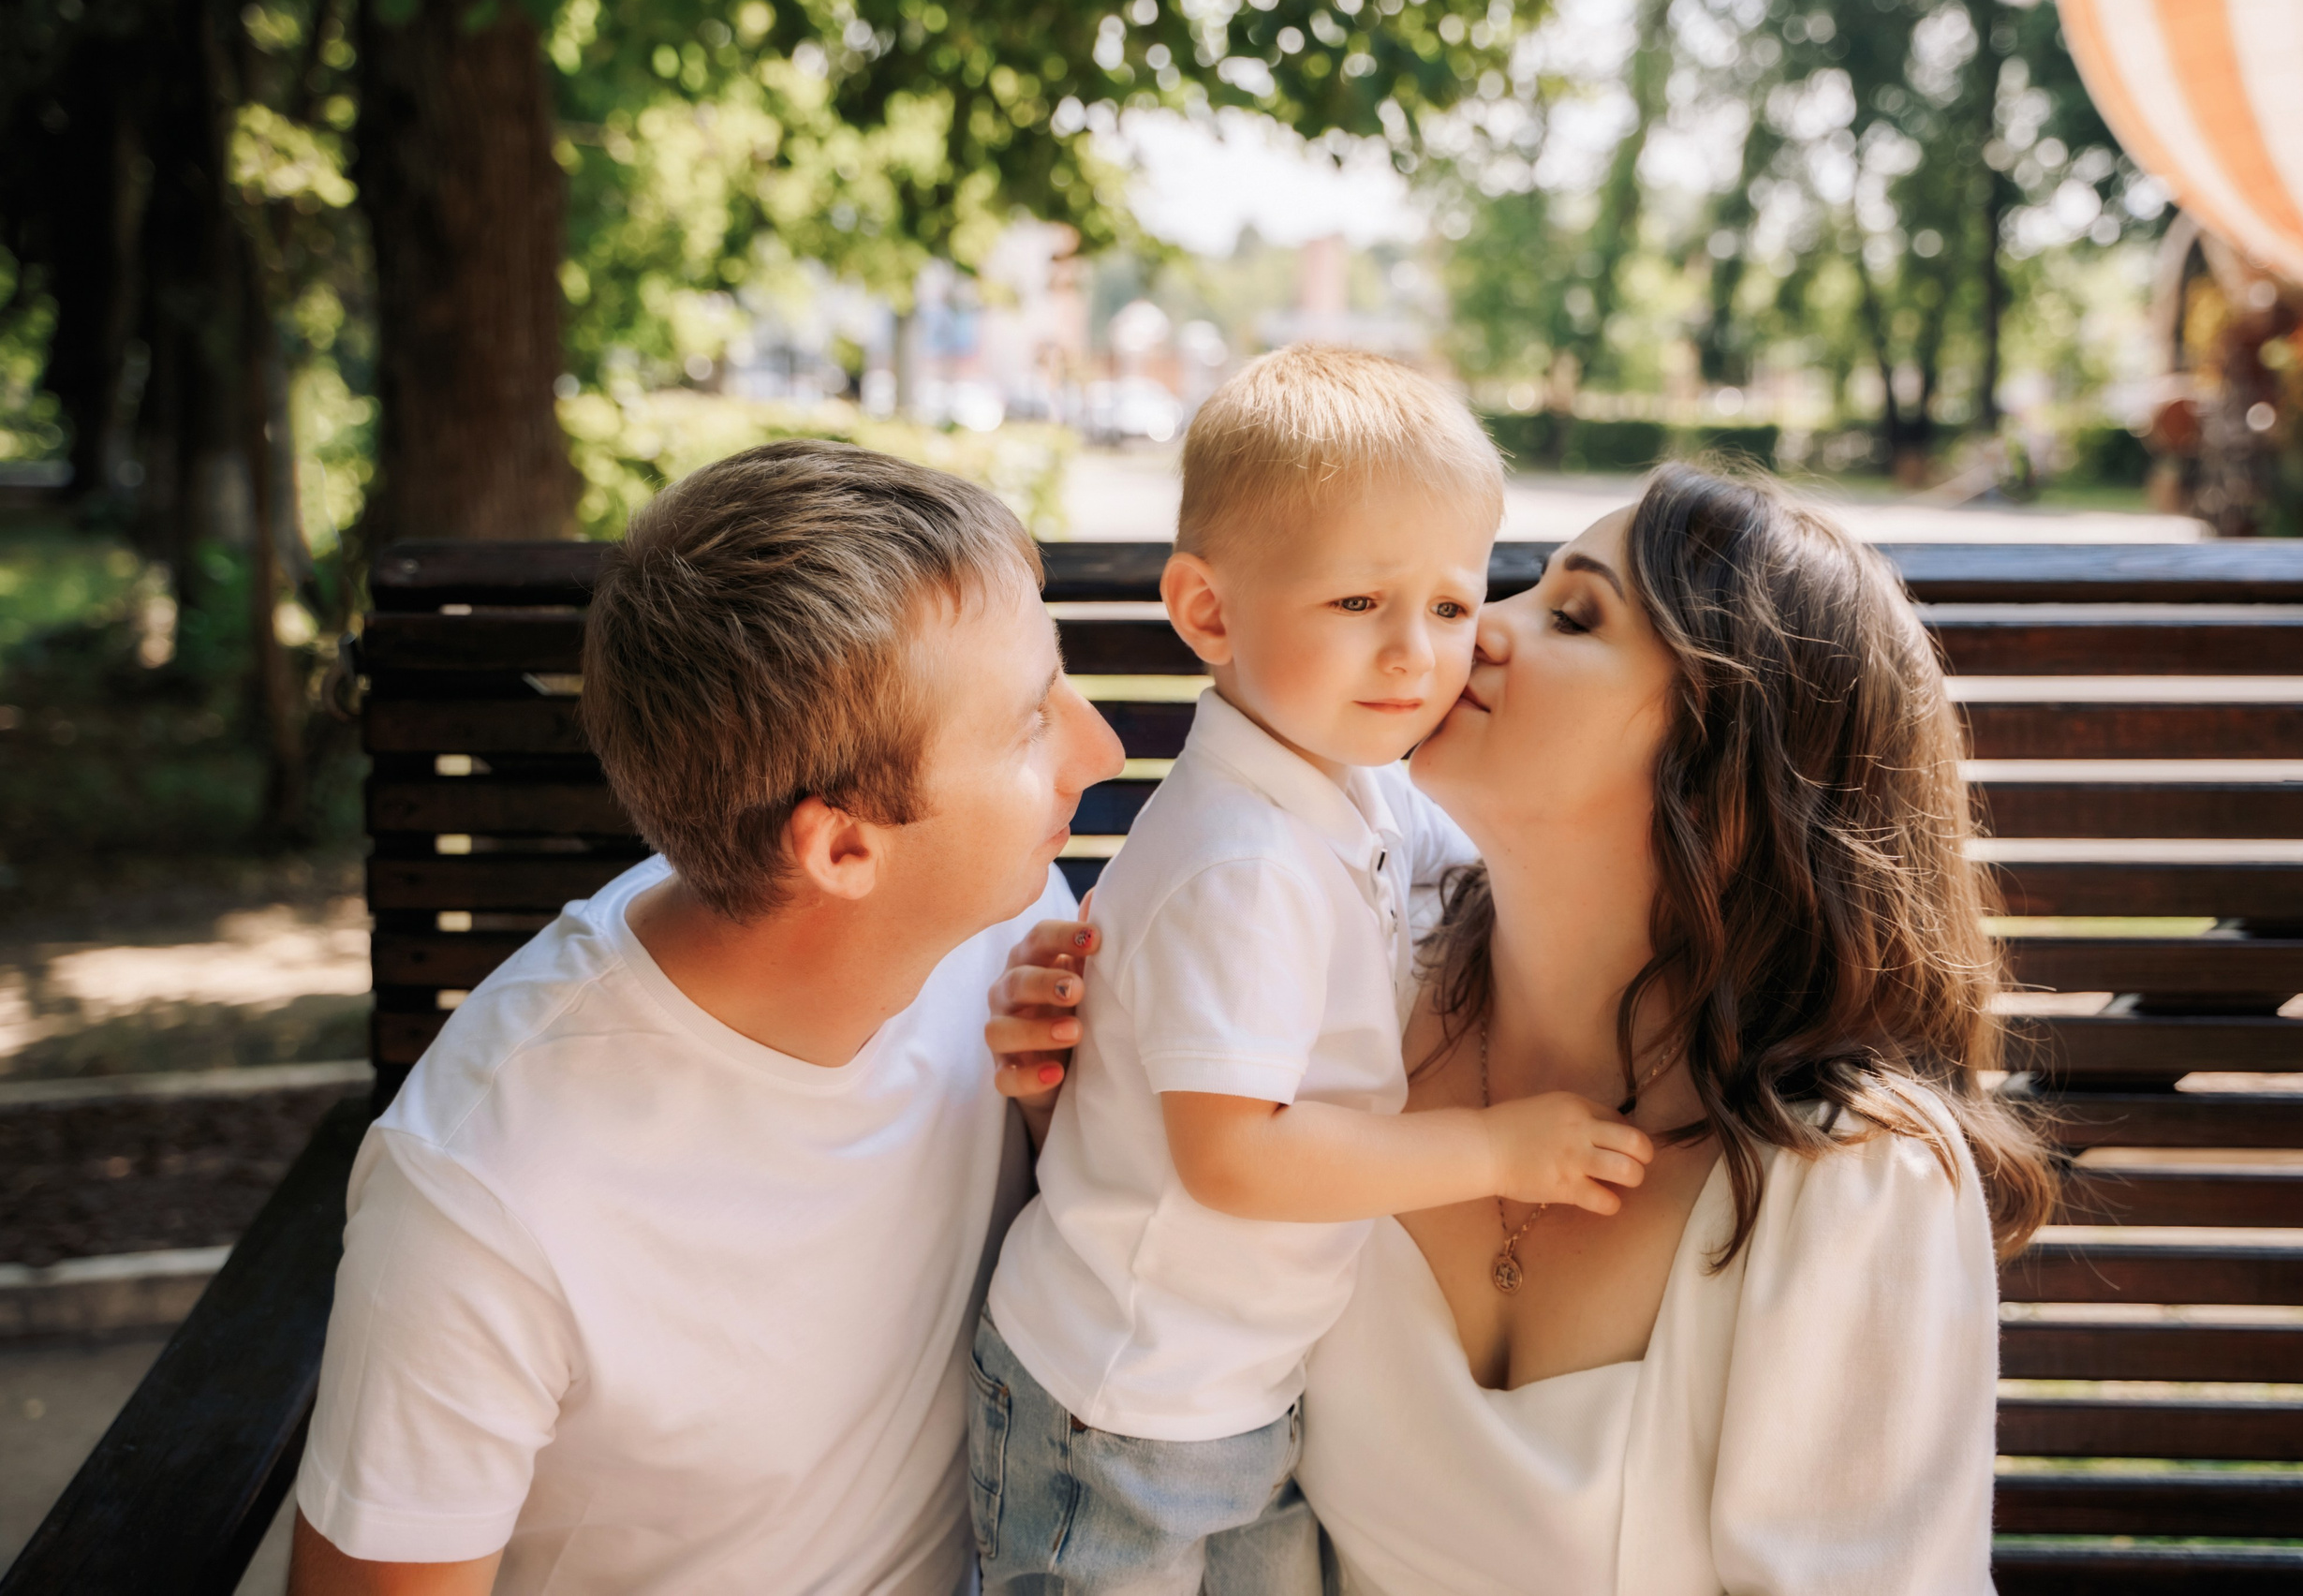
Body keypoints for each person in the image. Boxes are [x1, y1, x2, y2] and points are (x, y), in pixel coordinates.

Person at [990, 464, 2056, 1594]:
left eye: (1572, 614)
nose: (1473, 632)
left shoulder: (1852, 1178)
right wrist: (1087, 1080)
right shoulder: (1354, 988)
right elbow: (1180, 1277)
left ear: (1727, 771)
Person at [288, 441, 1126, 1595]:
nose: (1104, 748)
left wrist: (1051, 1123)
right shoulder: (487, 1201)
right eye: (1031, 722)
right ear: (841, 845)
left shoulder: (999, 922)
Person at [971, 346, 1655, 1595]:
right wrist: (1504, 1149)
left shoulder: (1367, 786)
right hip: (1124, 1396)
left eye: (1452, 607)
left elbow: (1499, 882)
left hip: (1245, 1379)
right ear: (1210, 612)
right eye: (1359, 605)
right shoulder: (1242, 860)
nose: (1415, 655)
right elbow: (1234, 1154)